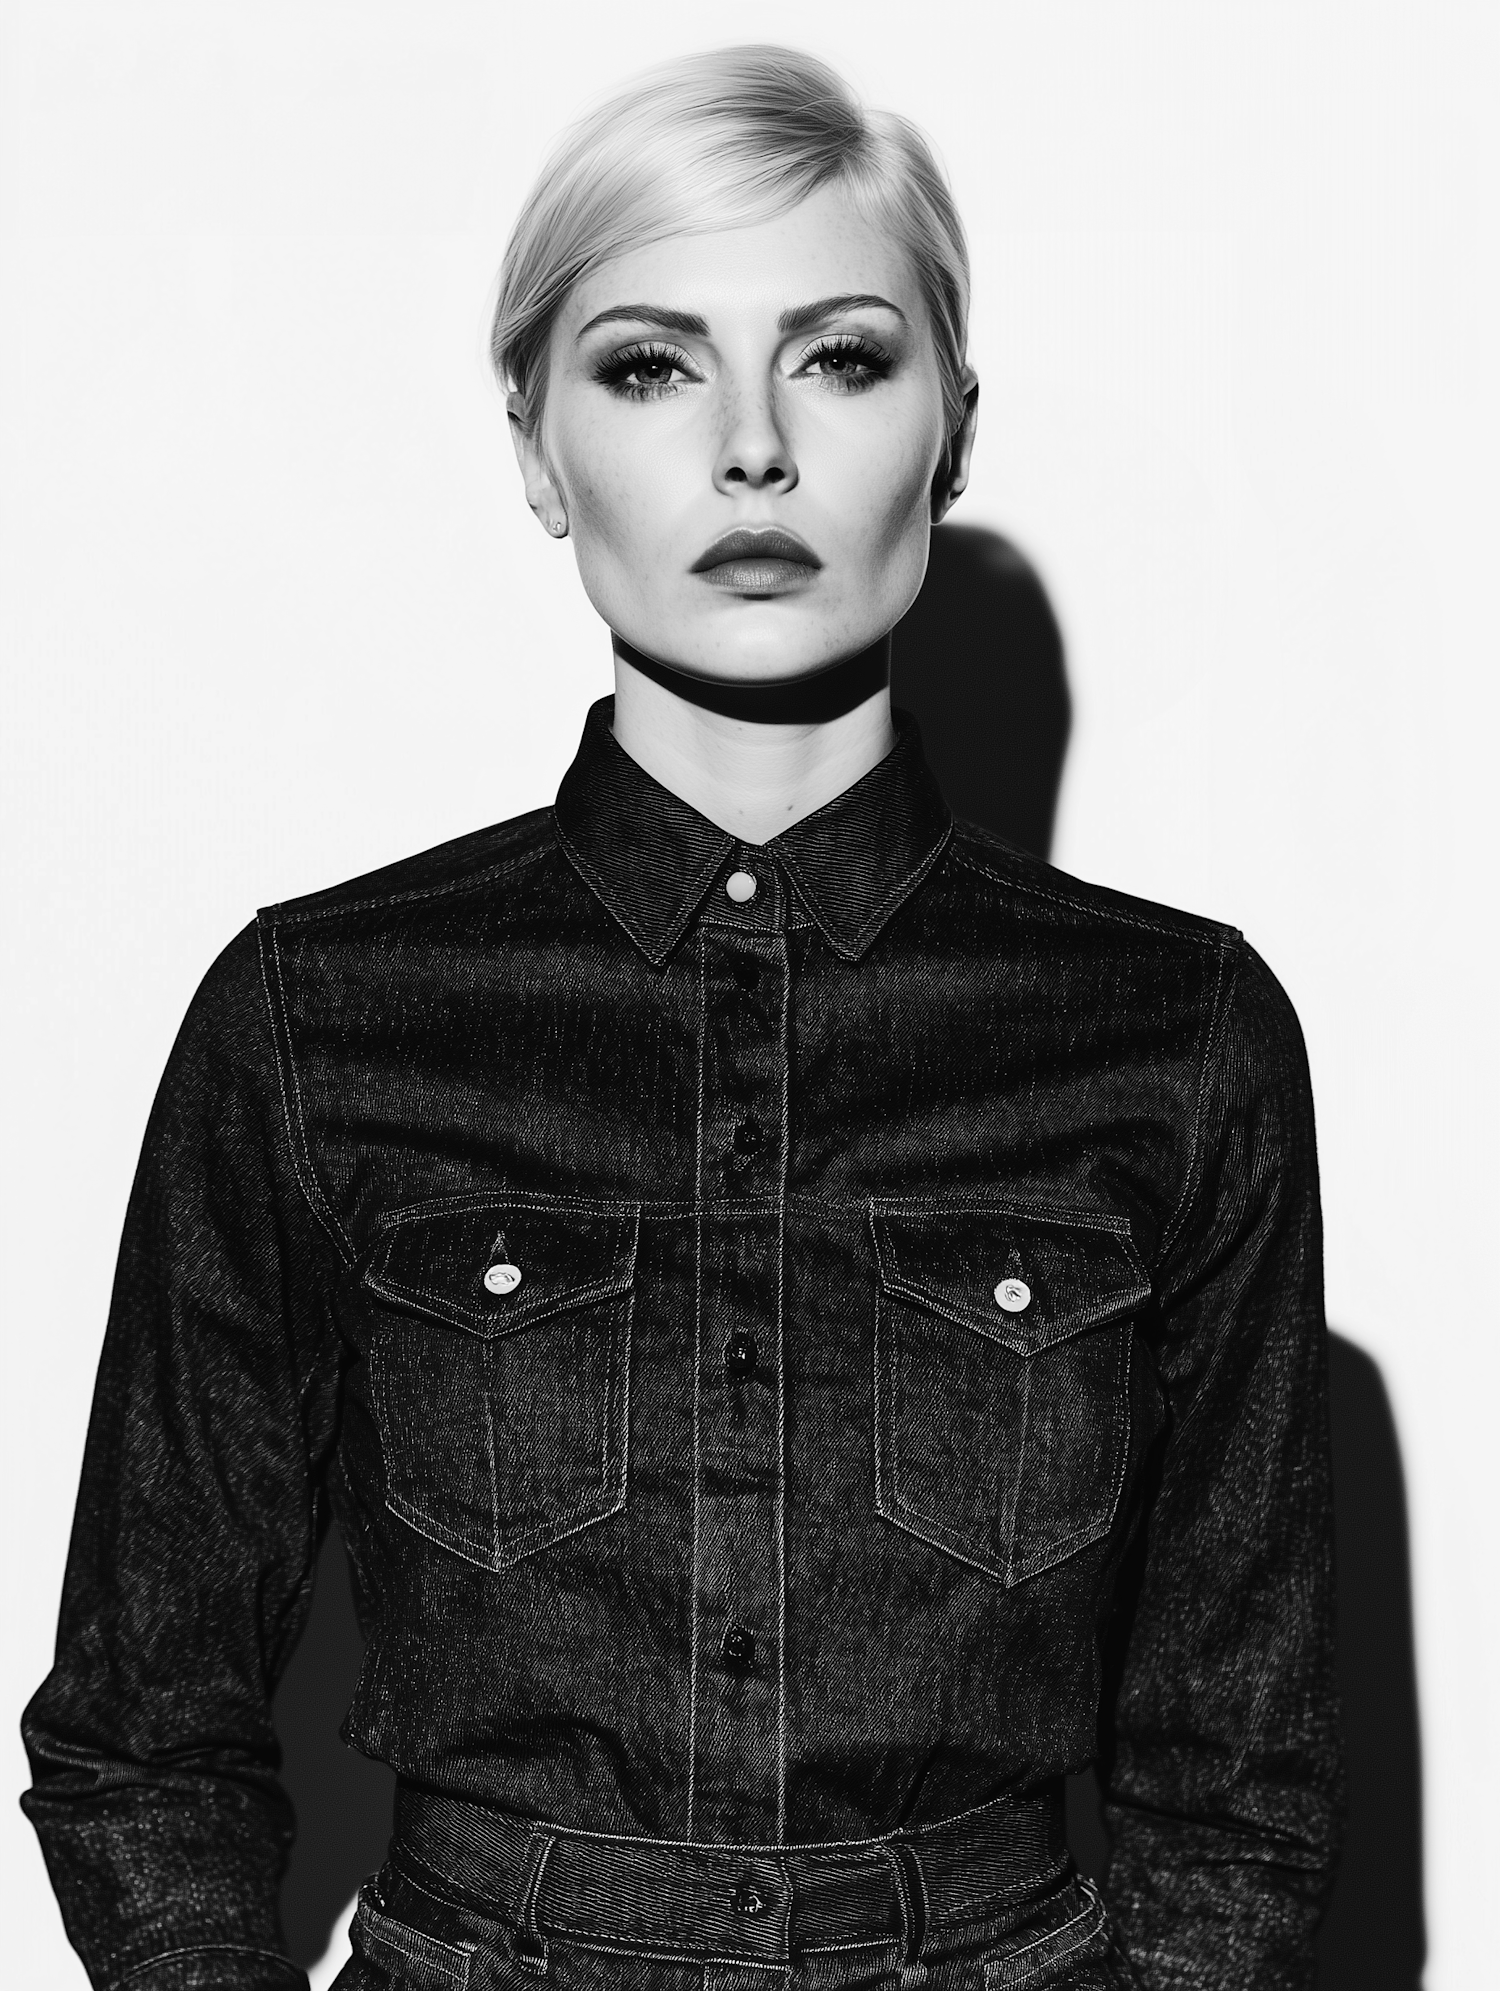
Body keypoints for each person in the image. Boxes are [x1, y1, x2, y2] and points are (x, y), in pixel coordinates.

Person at [20, 44, 1345, 1991]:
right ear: (538, 449)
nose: (753, 450)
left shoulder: (1177, 1032)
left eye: (841, 358)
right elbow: (142, 1737)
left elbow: (1237, 1795)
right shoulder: (320, 1020)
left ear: (952, 431)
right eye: (650, 366)